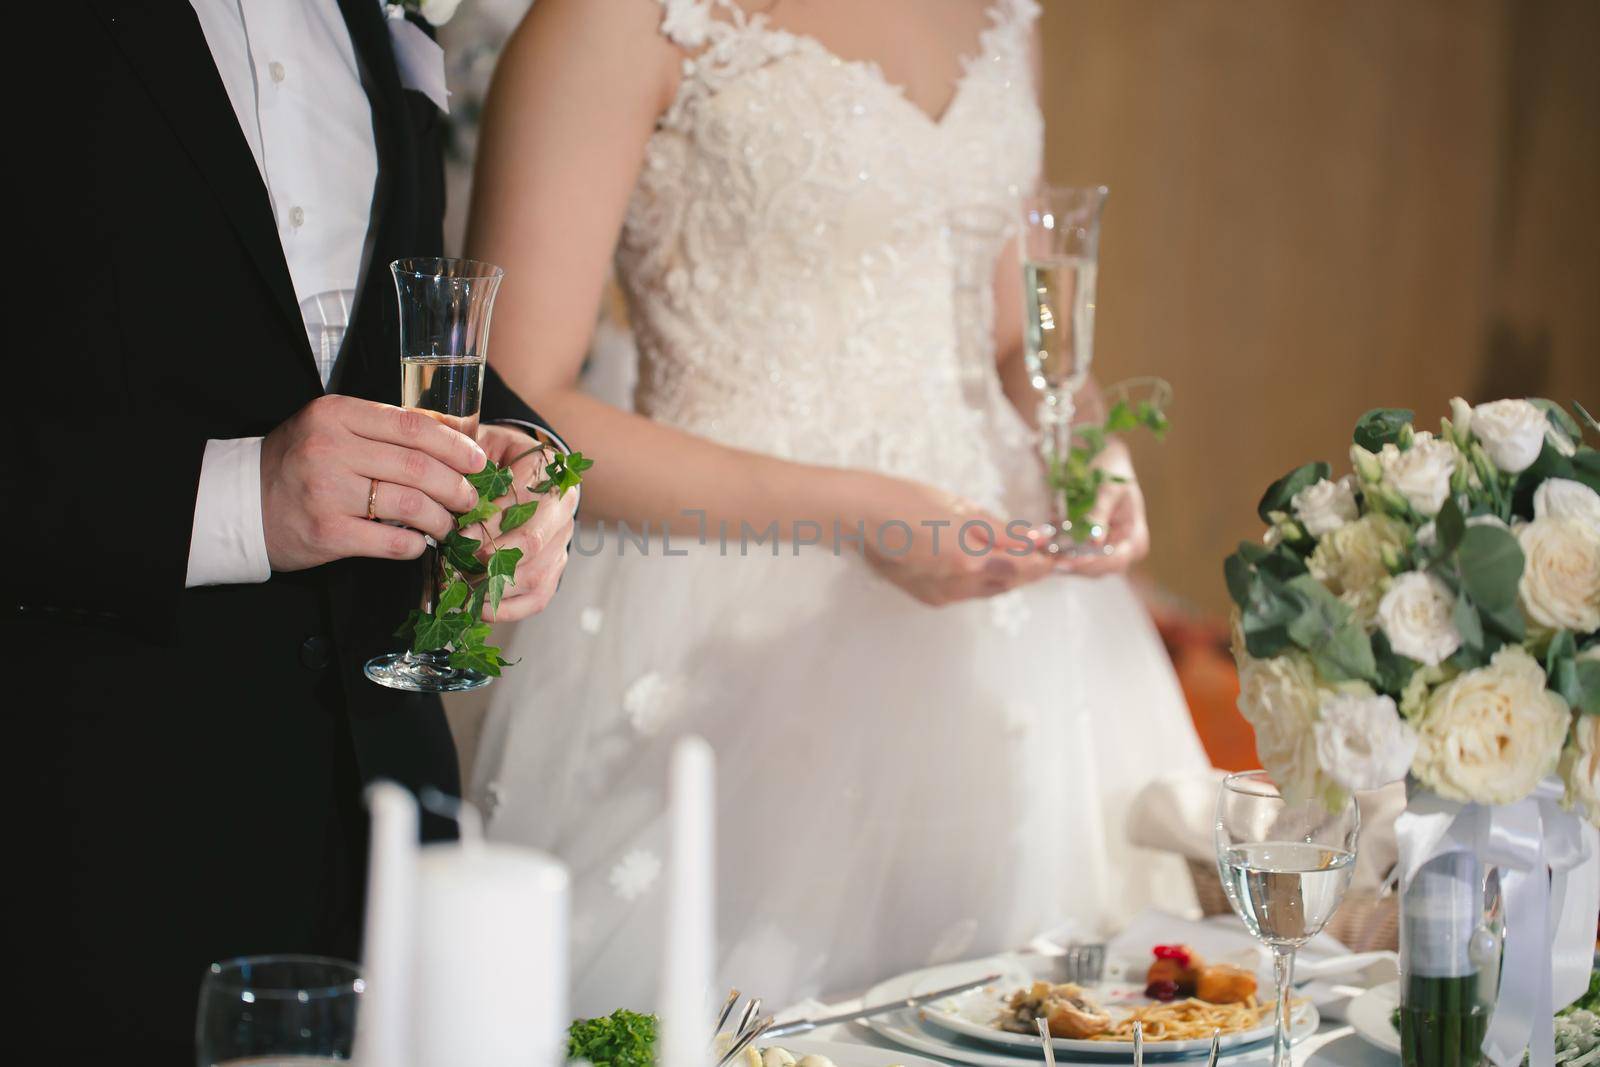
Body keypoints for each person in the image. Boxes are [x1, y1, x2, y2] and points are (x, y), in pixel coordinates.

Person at [466, 0, 1208, 1013]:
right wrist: (861, 510)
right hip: (720, 618)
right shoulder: (619, 17)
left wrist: (1085, 437)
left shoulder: (1000, 16)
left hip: (1013, 623)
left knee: (1056, 1012)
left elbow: (1020, 311)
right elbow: (518, 401)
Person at [12, 1, 575, 1057]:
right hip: (82, 853)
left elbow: (376, 334)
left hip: (386, 824)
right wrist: (238, 500)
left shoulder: (372, 17)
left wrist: (521, 447)